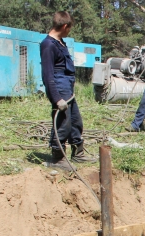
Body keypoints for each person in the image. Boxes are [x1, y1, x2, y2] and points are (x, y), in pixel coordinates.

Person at [40, 11, 97, 169]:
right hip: (59, 88)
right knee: (62, 123)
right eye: (69, 28)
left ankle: (78, 153)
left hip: (67, 88)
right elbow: (47, 75)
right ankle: (57, 158)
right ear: (65, 26)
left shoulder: (60, 42)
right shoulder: (48, 45)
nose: (69, 30)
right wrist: (57, 98)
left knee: (75, 121)